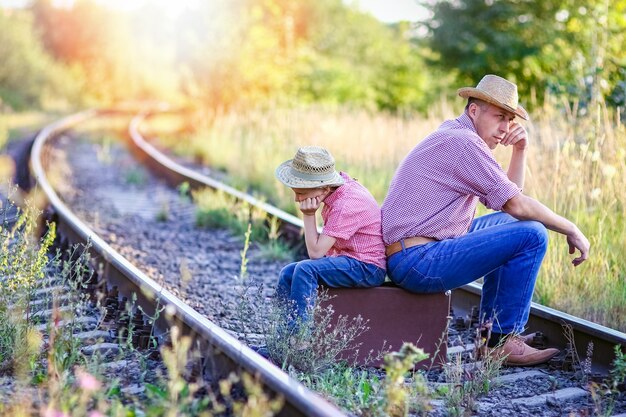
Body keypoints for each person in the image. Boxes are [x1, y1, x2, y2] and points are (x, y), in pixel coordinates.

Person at [381, 74, 590, 366]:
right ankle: (500, 342)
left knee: (512, 226)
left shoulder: (456, 135)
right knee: (533, 234)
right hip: (419, 260)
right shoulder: (463, 143)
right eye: (499, 117)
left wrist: (520, 150)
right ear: (474, 110)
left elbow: (509, 201)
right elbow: (518, 205)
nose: (505, 128)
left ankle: (492, 335)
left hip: (418, 251)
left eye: (510, 119)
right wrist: (571, 227)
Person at [274, 146, 386, 329]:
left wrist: (309, 215)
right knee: (288, 273)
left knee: (305, 270)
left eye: (301, 192)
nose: (296, 199)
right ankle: (280, 339)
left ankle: (297, 341)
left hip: (367, 266)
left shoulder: (346, 204)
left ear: (324, 188)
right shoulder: (337, 192)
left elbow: (316, 253)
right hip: (349, 260)